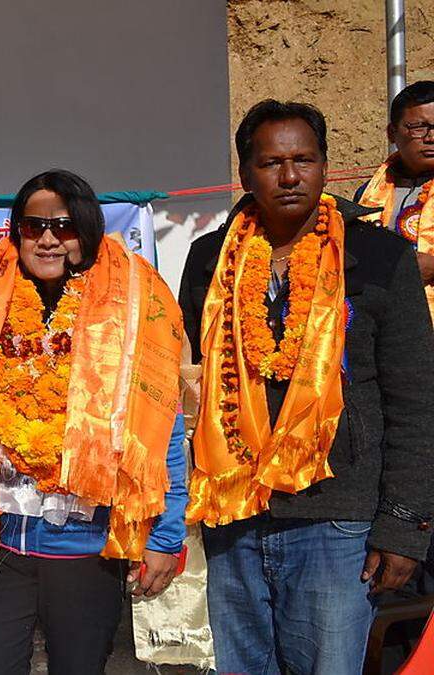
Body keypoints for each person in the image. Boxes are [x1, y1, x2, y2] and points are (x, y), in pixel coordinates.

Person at [180, 99, 434, 674]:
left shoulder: (376, 256)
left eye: (305, 160)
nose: (290, 176)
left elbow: (417, 400)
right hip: (234, 516)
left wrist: (404, 525)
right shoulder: (208, 261)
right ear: (245, 173)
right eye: (272, 163)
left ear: (324, 166)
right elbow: (189, 387)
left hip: (338, 521)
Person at [0, 169, 187, 674]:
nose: (47, 239)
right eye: (33, 225)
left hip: (87, 544)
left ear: (86, 230)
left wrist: (165, 536)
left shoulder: (135, 299)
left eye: (63, 226)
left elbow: (164, 427)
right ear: (16, 230)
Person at [356, 80, 434, 321]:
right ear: (392, 133)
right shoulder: (366, 195)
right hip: (385, 324)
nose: (431, 137)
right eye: (419, 127)